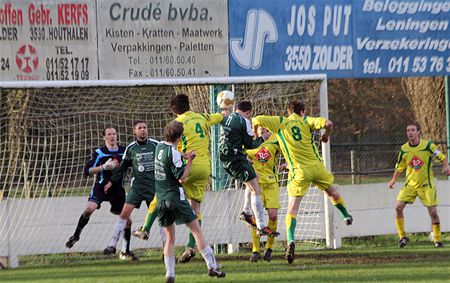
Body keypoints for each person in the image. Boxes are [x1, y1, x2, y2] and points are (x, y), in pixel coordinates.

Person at [253, 99, 353, 264]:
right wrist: (326, 136)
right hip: (316, 167)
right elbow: (329, 123)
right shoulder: (307, 121)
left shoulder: (281, 122)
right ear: (303, 112)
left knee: (292, 208)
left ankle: (291, 240)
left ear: (288, 112)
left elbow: (256, 119)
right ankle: (345, 215)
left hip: (299, 171)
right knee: (332, 192)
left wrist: (257, 133)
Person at [133, 94, 227, 264]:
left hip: (187, 166)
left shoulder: (177, 124)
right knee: (196, 208)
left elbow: (173, 147)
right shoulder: (201, 117)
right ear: (188, 105)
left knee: (160, 194)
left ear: (174, 111)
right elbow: (220, 117)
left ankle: (145, 229)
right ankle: (191, 247)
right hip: (204, 167)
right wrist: (224, 111)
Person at [155, 120, 225, 283]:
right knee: (196, 230)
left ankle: (170, 274)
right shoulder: (173, 153)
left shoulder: (159, 146)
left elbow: (169, 158)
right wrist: (190, 159)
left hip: (161, 199)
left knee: (170, 238)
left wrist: (182, 155)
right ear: (180, 137)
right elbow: (182, 178)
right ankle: (212, 267)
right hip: (175, 197)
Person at [219, 100, 278, 237]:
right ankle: (261, 226)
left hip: (228, 157)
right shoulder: (243, 121)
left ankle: (246, 211)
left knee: (254, 178)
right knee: (256, 189)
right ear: (248, 112)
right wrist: (263, 138)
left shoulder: (228, 117)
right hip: (235, 159)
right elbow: (251, 145)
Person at [102, 121, 159, 261]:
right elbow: (122, 168)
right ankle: (112, 245)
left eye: (145, 128)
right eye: (140, 128)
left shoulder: (156, 145)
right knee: (124, 214)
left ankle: (166, 251)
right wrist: (111, 181)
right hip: (138, 187)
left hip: (154, 187)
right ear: (135, 131)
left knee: (162, 218)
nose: (143, 130)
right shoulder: (131, 148)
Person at [387, 122, 450, 248]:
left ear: (418, 132)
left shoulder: (427, 146)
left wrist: (446, 165)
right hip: (410, 185)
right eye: (408, 130)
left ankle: (437, 240)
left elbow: (441, 156)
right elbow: (399, 167)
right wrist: (393, 180)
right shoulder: (404, 149)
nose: (410, 132)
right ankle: (402, 237)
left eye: (412, 130)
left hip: (426, 185)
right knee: (398, 207)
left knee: (433, 213)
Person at [66, 127, 125, 249]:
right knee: (89, 209)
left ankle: (124, 249)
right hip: (101, 187)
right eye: (109, 134)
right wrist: (103, 167)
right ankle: (76, 235)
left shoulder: (123, 151)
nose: (112, 136)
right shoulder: (100, 152)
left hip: (117, 189)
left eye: (114, 134)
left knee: (127, 220)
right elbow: (88, 171)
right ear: (104, 137)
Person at [245, 126, 285, 262]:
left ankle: (269, 248)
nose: (262, 130)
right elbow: (240, 157)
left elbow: (289, 149)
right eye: (259, 127)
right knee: (256, 218)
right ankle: (255, 250)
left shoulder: (275, 140)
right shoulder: (249, 143)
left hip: (271, 183)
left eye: (265, 127)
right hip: (256, 185)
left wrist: (287, 164)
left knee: (273, 216)